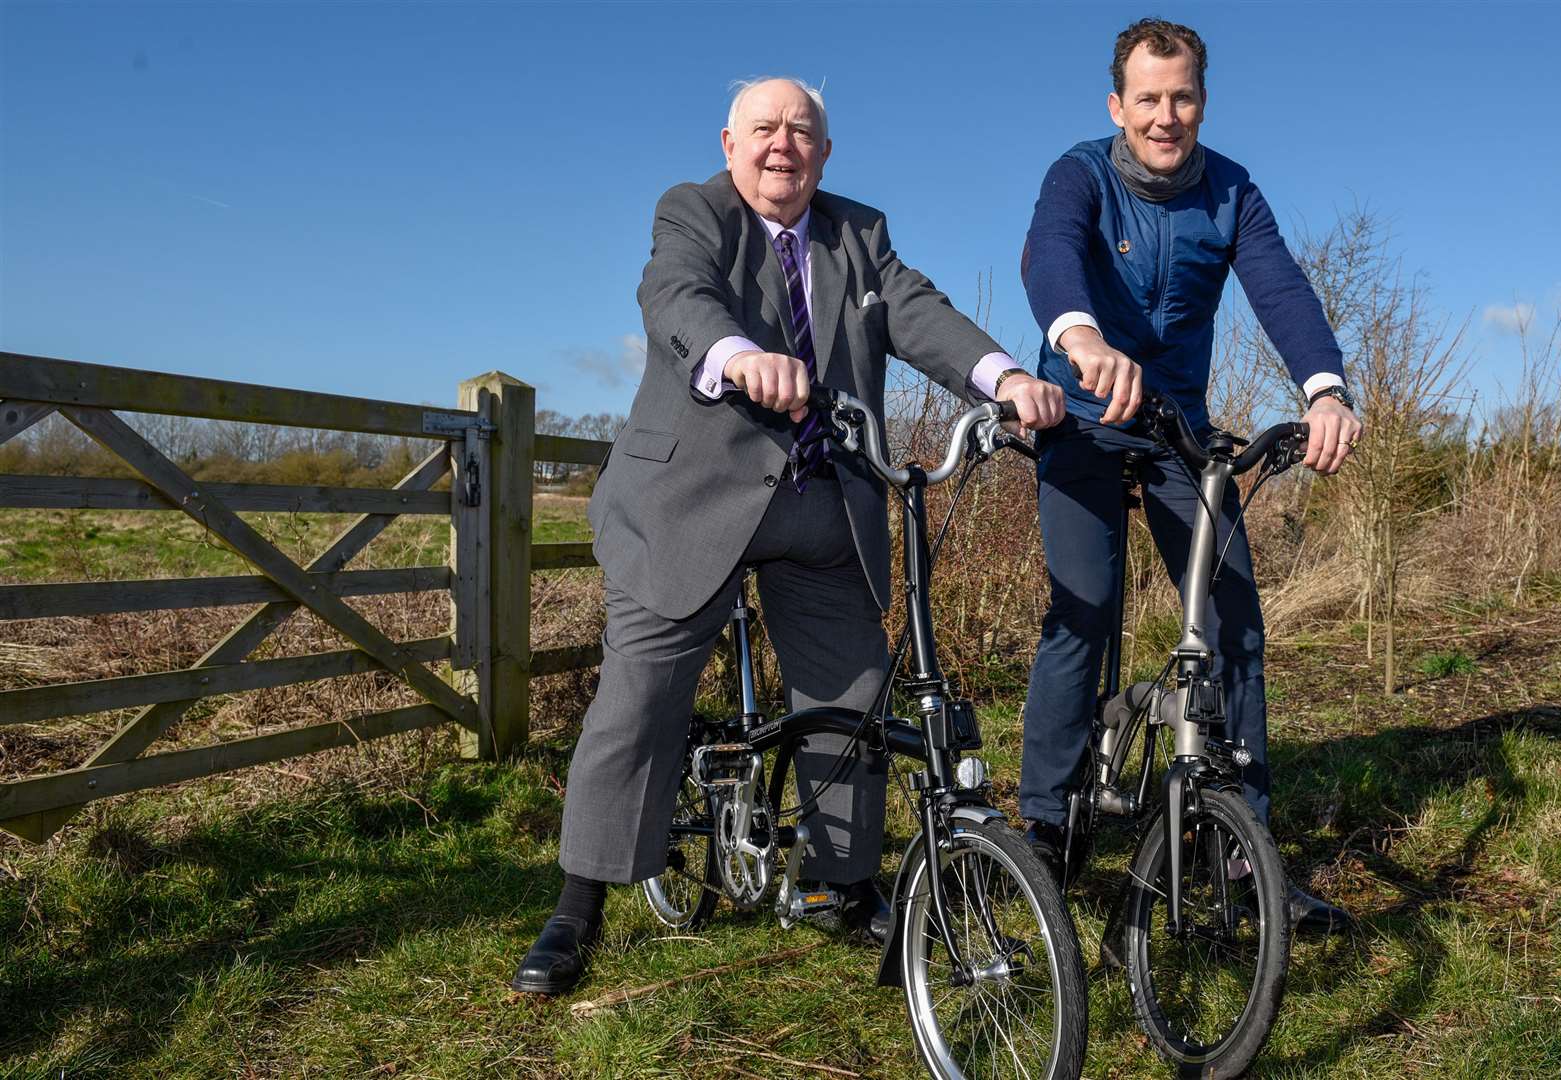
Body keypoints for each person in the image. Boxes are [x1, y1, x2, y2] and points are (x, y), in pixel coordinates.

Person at [512, 77, 1066, 995]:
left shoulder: (860, 232)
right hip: (685, 501)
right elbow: (678, 298)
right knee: (641, 695)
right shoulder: (693, 212)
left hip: (819, 504)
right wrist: (740, 358)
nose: (783, 146)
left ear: (826, 153)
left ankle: (844, 885)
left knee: (850, 698)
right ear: (730, 141)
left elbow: (917, 313)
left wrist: (1002, 376)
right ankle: (578, 904)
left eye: (802, 132)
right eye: (765, 129)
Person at [1017, 19, 1363, 933]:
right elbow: (1049, 253)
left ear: (1201, 101)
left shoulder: (1232, 190)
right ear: (1117, 105)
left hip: (1177, 431)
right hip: (1085, 422)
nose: (1165, 117)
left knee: (1235, 620)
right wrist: (1080, 339)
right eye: (1148, 99)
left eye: (1182, 99)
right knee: (1081, 612)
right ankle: (1043, 832)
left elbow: (1281, 287)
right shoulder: (1080, 173)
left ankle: (1242, 847)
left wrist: (1325, 389)